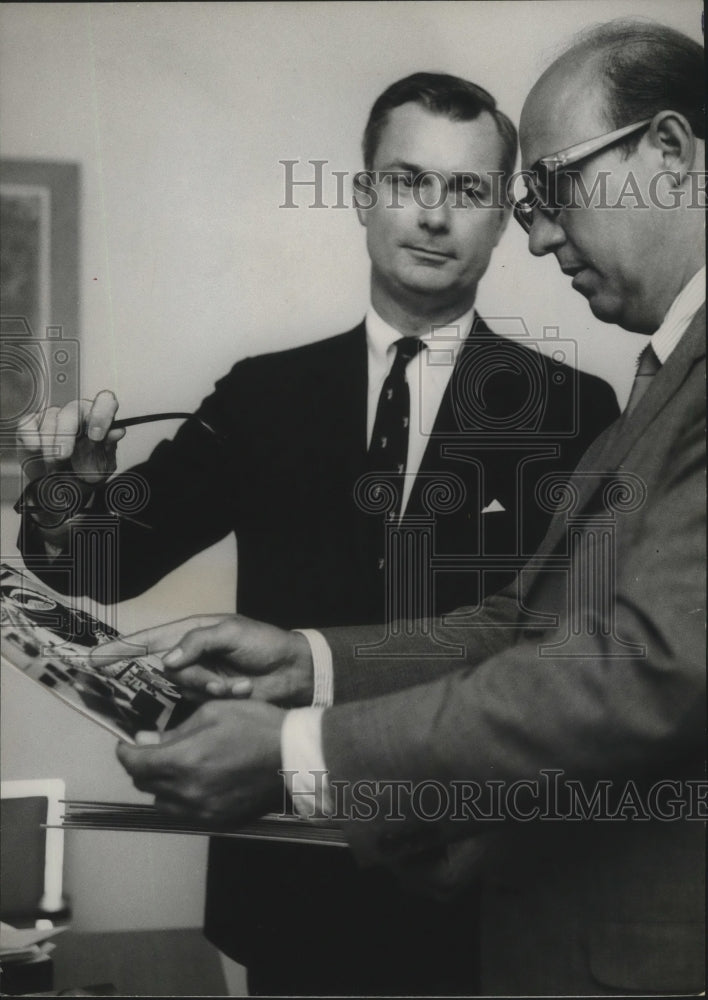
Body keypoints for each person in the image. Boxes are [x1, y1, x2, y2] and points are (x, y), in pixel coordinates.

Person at [102, 21, 704, 996]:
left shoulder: (585, 403)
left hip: (489, 892)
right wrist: (309, 659)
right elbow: (525, 621)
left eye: (522, 191)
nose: (540, 234)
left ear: (669, 152)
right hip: (300, 898)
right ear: (362, 194)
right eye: (408, 181)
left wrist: (300, 748)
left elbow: (639, 664)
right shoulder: (265, 393)